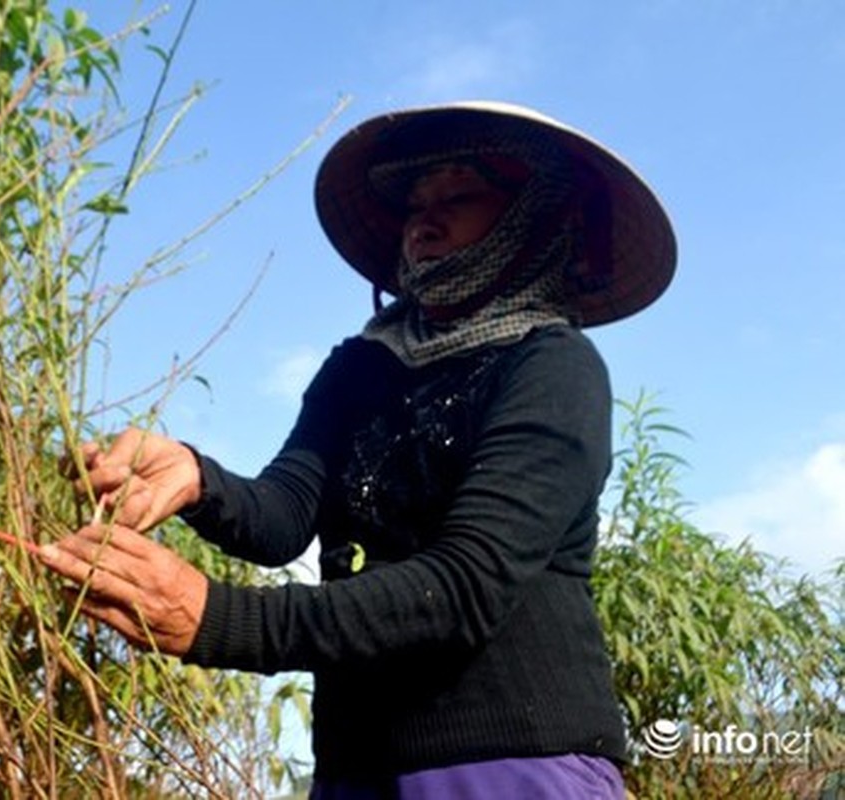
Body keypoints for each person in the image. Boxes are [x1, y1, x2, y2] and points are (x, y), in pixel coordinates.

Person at [39, 101, 677, 798]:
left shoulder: (551, 365)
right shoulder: (361, 366)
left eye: (457, 196)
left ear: (533, 213)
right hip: (355, 766)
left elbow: (467, 584)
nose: (424, 221)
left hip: (508, 763)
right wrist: (196, 478)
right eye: (413, 206)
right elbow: (284, 515)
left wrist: (219, 619)